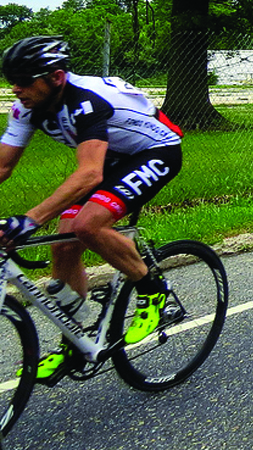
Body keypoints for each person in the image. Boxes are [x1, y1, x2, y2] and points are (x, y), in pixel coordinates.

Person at [0, 36, 184, 380]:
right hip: (113, 158)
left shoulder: (85, 101)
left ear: (56, 77)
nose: (15, 88)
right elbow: (2, 167)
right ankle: (74, 344)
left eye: (24, 80)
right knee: (64, 242)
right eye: (11, 79)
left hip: (154, 152)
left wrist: (30, 219)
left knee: (88, 225)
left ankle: (153, 291)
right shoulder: (27, 107)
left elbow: (89, 173)